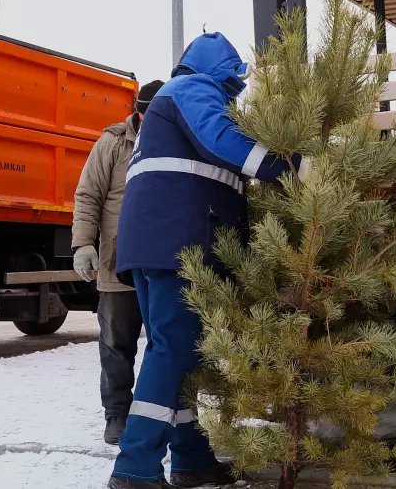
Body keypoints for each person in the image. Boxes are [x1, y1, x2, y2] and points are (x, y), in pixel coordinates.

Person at [108, 33, 311, 489]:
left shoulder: (170, 106)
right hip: (177, 246)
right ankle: (135, 467)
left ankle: (191, 458)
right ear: (217, 70)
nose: (233, 94)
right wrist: (295, 168)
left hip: (162, 243)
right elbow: (222, 142)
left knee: (182, 352)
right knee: (172, 348)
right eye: (232, 83)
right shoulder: (190, 89)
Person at [73, 79, 165, 445]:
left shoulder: (173, 139)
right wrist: (83, 244)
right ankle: (117, 415)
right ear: (137, 110)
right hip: (116, 260)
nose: (149, 119)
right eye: (145, 113)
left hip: (159, 261)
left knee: (164, 344)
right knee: (116, 342)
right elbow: (88, 195)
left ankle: (155, 414)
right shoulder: (112, 144)